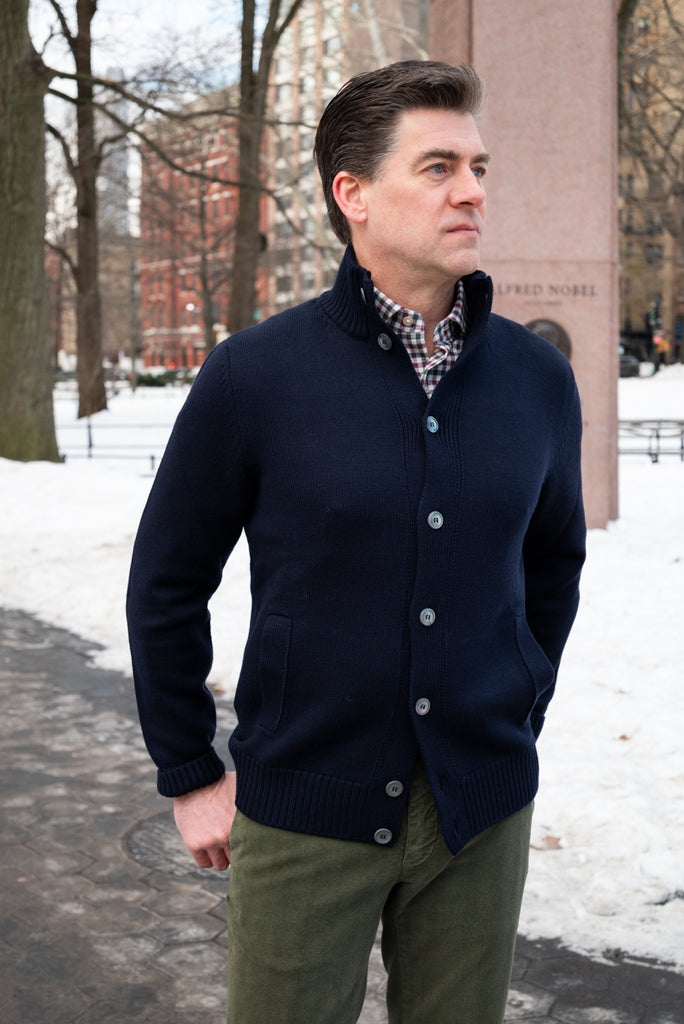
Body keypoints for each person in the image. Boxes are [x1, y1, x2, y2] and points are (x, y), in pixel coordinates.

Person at [127, 60, 586, 1024]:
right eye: (438, 167)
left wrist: (518, 702)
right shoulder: (255, 375)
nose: (472, 190)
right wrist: (189, 770)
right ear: (355, 194)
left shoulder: (538, 380)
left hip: (480, 817)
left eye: (478, 166)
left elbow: (554, 563)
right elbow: (167, 579)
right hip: (304, 813)